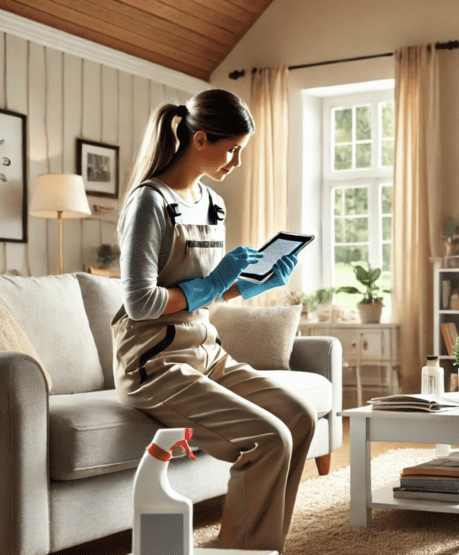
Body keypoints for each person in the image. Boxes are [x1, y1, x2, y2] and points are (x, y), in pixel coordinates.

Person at [111, 89, 315, 552]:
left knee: (299, 419)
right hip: (154, 363)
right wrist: (218, 280)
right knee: (268, 439)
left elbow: (207, 291)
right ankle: (241, 550)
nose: (237, 161)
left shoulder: (212, 203)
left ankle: (261, 546)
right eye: (233, 149)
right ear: (200, 139)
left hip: (205, 352)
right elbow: (141, 301)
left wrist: (255, 284)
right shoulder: (149, 203)